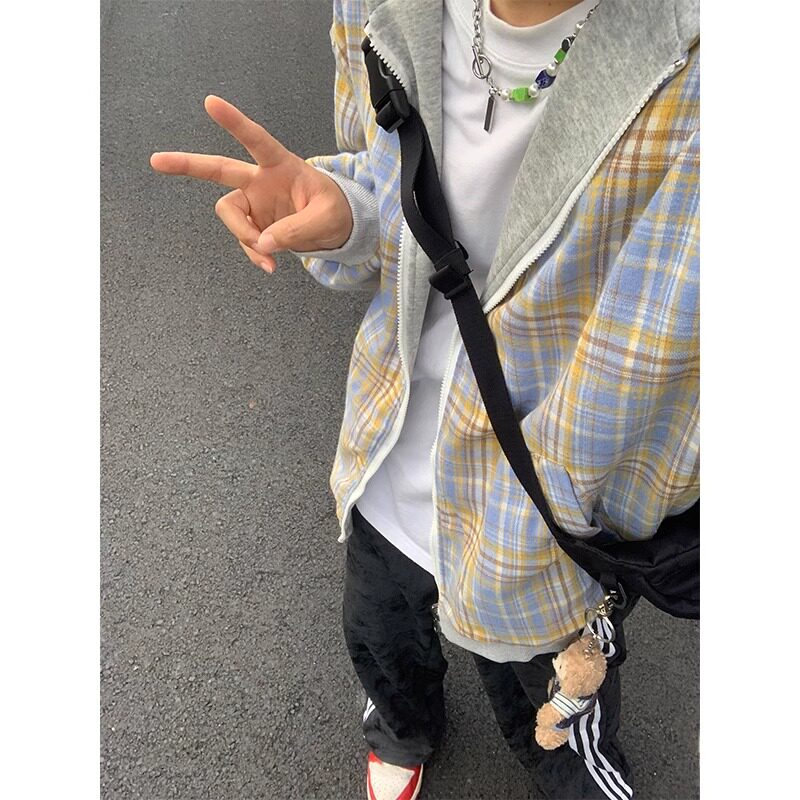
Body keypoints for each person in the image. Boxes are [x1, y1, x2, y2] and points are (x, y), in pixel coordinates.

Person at [151, 0, 699, 797]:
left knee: (554, 712)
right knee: (381, 636)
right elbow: (390, 190)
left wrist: (593, 513)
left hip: (544, 517)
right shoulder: (381, 9)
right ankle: (402, 729)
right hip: (387, 448)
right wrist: (344, 214)